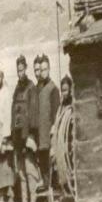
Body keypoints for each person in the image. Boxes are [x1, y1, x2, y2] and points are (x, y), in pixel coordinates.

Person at [11, 55, 39, 202]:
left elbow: (33, 114)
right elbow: (13, 112)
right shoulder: (16, 89)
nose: (20, 73)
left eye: (22, 70)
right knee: (21, 173)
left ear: (26, 69)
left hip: (27, 137)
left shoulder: (31, 87)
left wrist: (31, 136)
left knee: (30, 172)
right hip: (17, 139)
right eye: (18, 70)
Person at [36, 55, 60, 192]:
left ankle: (54, 190)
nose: (43, 72)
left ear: (49, 69)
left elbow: (55, 115)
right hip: (40, 136)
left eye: (45, 69)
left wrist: (53, 136)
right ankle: (46, 187)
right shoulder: (39, 88)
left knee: (52, 166)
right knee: (43, 164)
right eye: (41, 69)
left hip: (49, 136)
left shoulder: (53, 89)